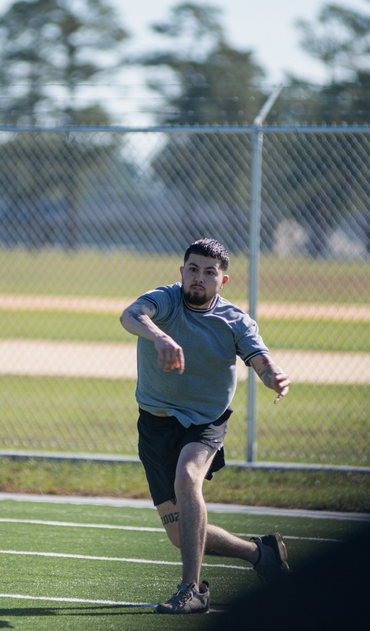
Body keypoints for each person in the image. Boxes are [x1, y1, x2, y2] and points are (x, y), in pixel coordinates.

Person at [119, 237, 292, 615]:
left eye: (209, 272)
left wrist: (274, 375)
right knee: (182, 537)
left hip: (204, 423)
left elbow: (260, 360)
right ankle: (259, 553)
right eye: (193, 270)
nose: (199, 278)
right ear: (181, 272)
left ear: (223, 280)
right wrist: (161, 336)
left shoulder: (234, 321)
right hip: (155, 425)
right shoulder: (163, 300)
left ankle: (191, 590)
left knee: (187, 479)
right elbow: (130, 315)